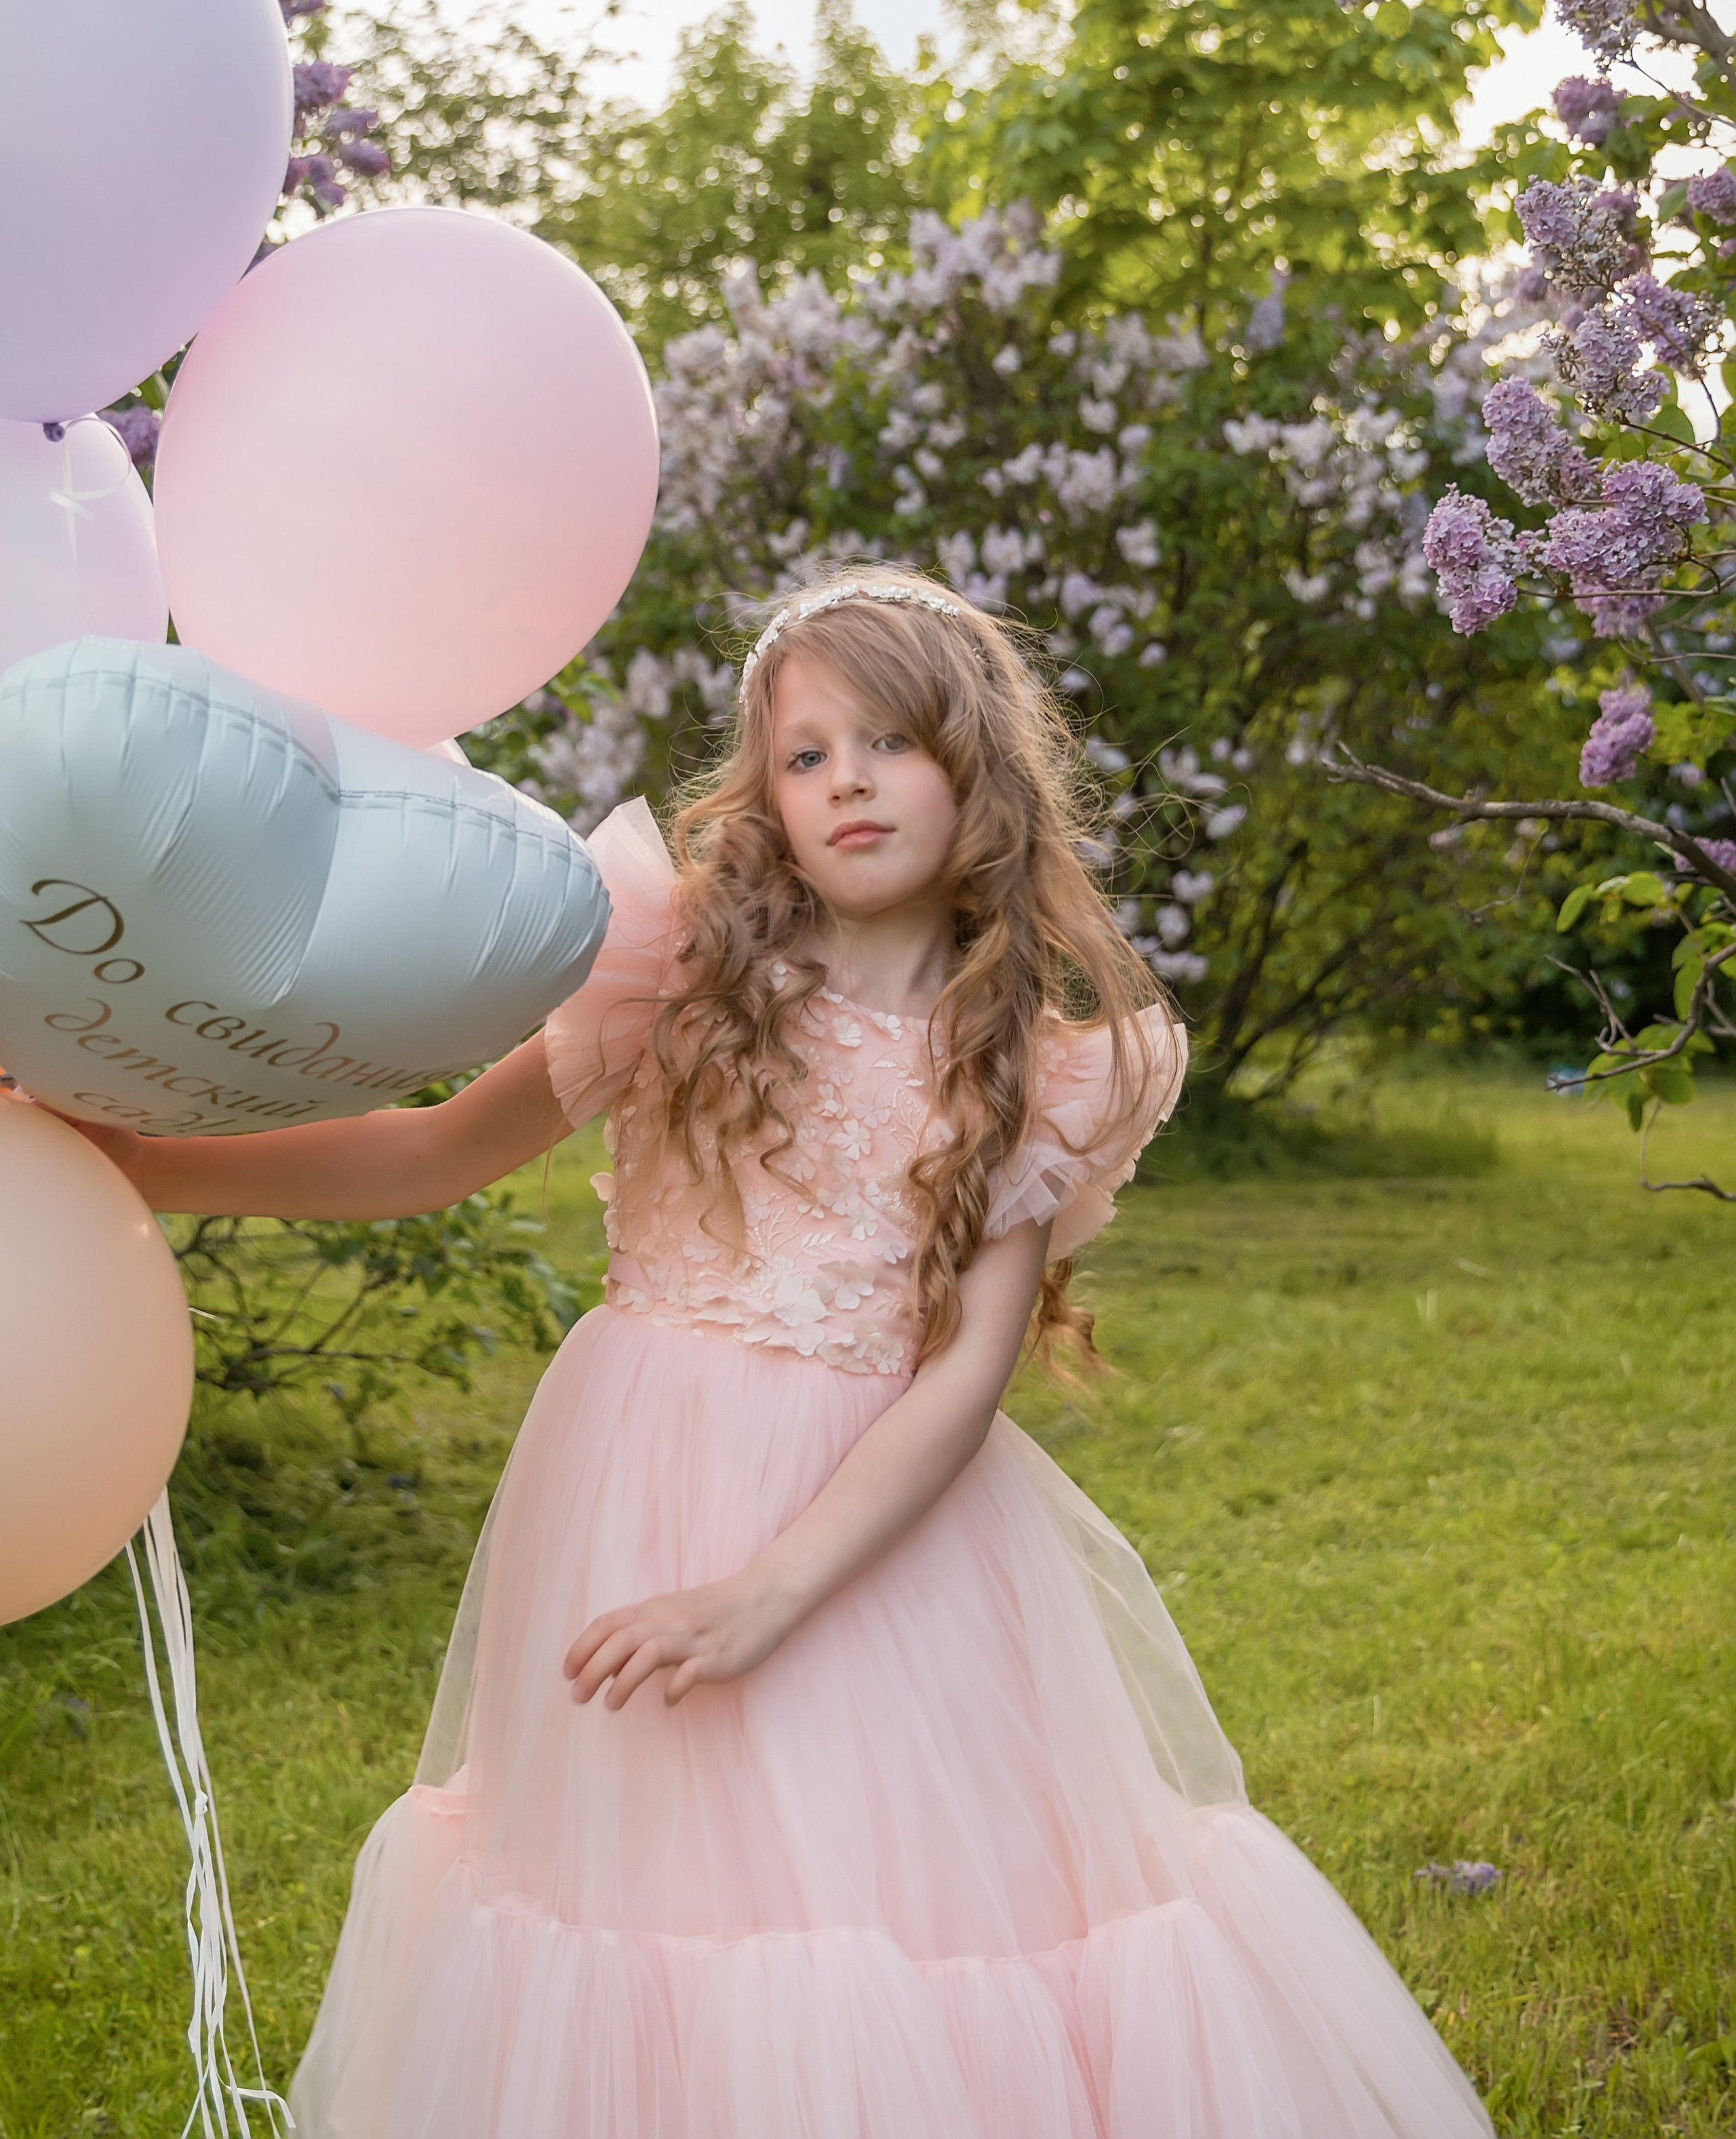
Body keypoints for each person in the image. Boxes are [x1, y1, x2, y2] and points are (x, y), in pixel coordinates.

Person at [83, 570, 1493, 2138]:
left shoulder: (1030, 1058)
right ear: (764, 794)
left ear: (975, 766)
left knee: (901, 1899)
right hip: (636, 1481)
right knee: (644, 1887)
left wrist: (763, 1592)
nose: (845, 783)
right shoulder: (673, 967)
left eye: (885, 740)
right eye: (804, 755)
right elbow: (428, 1158)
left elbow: (962, 1379)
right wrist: (148, 1164)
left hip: (872, 1531)